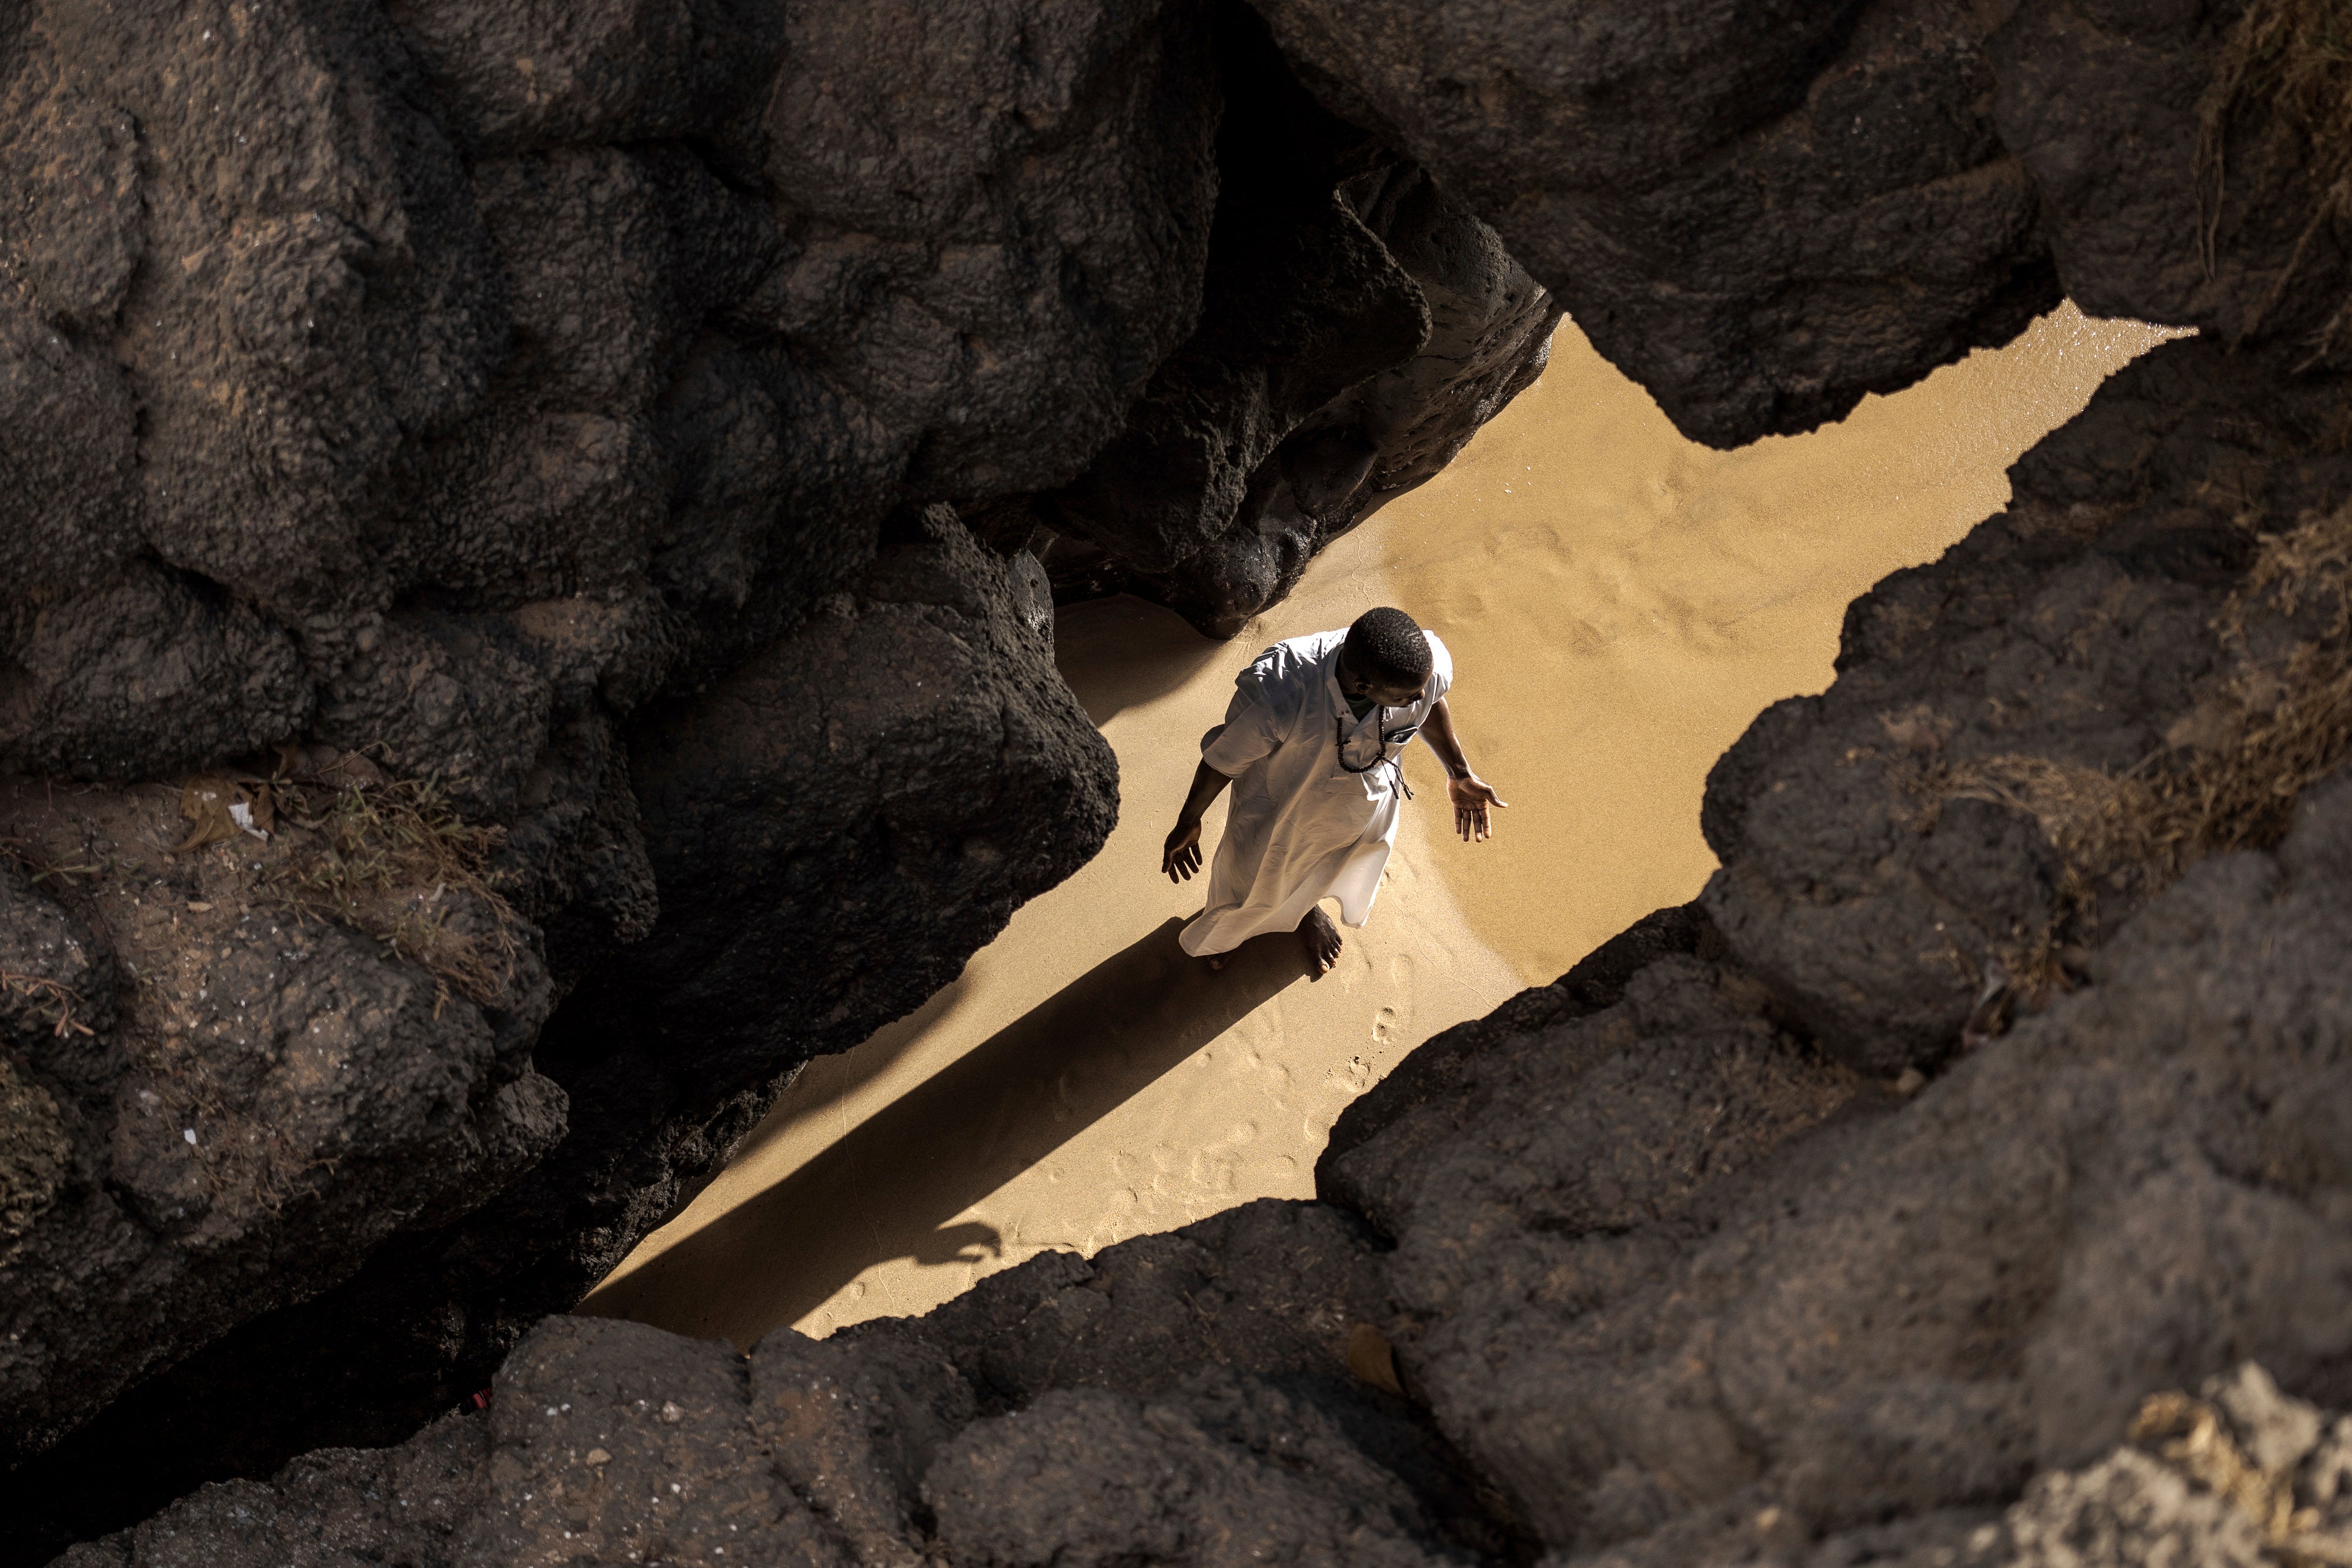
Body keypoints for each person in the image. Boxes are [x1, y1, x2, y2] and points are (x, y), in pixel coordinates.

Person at [1161, 606, 1505, 973]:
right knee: (1251, 879)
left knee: (1336, 862)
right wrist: (1189, 819)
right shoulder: (1280, 692)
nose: (1417, 702)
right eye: (1407, 697)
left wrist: (1459, 771)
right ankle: (1230, 934)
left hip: (1364, 802)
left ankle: (1306, 911)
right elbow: (1222, 760)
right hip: (1283, 805)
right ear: (1362, 688)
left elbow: (1430, 700)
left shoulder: (1417, 667)